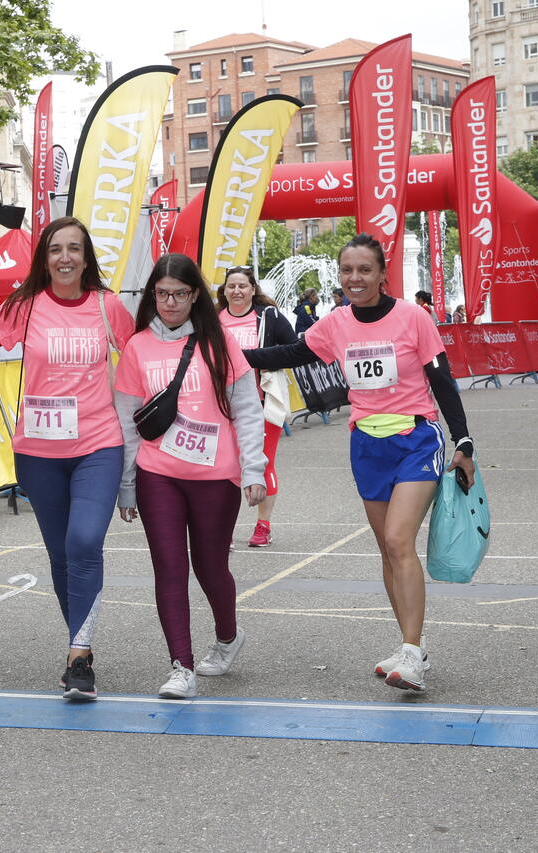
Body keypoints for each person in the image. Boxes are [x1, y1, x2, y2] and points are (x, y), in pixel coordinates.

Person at [244, 234, 476, 692]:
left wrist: (463, 439)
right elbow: (292, 354)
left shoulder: (413, 317)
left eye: (365, 270)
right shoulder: (335, 323)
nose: (355, 278)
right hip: (366, 445)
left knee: (398, 539)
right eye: (347, 270)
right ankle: (409, 645)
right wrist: (231, 355)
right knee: (387, 549)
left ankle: (412, 653)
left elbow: (442, 380)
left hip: (416, 439)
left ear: (382, 274)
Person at [0, 217, 134, 700]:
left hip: (98, 446)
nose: (65, 257)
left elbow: (143, 353)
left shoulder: (107, 306)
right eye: (56, 249)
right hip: (38, 453)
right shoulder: (26, 305)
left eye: (74, 248)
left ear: (86, 256)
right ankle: (80, 647)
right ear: (44, 258)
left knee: (84, 542)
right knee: (60, 555)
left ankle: (78, 654)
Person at [115, 253, 266, 699]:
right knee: (169, 567)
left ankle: (228, 636)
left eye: (179, 294)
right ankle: (181, 666)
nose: (170, 303)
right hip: (157, 474)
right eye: (162, 294)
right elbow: (127, 421)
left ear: (195, 294)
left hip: (215, 477)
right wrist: (127, 485)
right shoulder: (137, 347)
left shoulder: (220, 343)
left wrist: (253, 469)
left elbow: (247, 409)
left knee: (210, 566)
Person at [215, 265, 296, 548]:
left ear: (253, 289)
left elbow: (293, 349)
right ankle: (223, 528)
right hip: (220, 406)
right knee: (224, 467)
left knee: (263, 463)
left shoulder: (268, 317)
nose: (237, 291)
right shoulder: (213, 319)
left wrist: (250, 357)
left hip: (262, 404)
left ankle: (263, 526)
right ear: (224, 291)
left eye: (242, 286)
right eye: (232, 286)